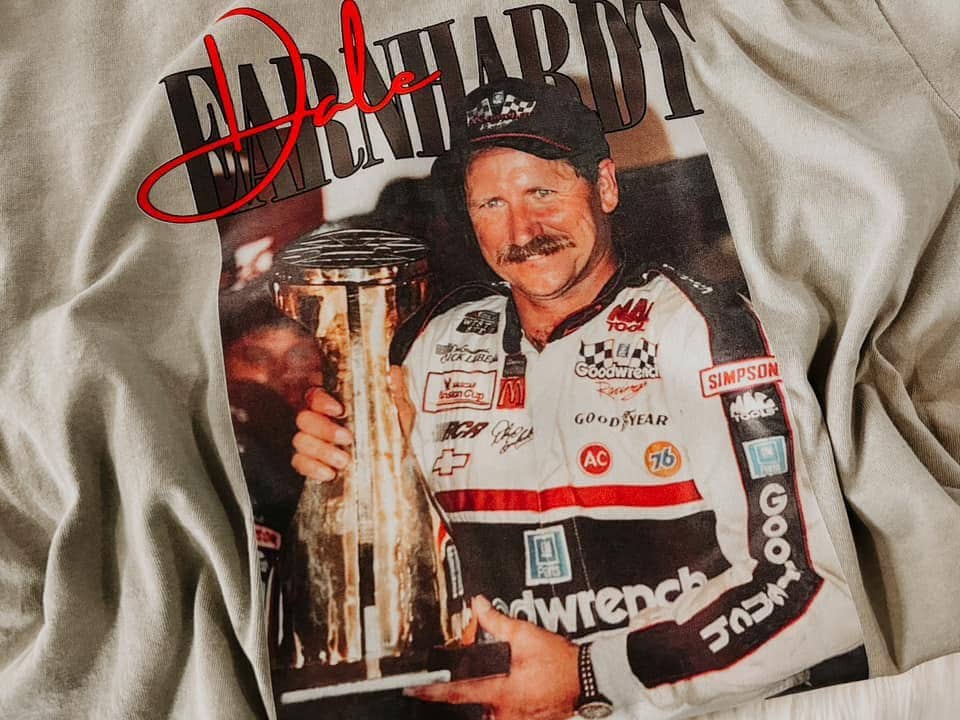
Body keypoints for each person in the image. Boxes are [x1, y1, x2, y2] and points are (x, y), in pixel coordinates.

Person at [291, 78, 865, 719]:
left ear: (606, 187)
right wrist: (342, 477)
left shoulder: (706, 332)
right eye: (492, 203)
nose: (523, 229)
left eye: (543, 191)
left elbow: (818, 586)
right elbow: (387, 574)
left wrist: (593, 674)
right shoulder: (431, 344)